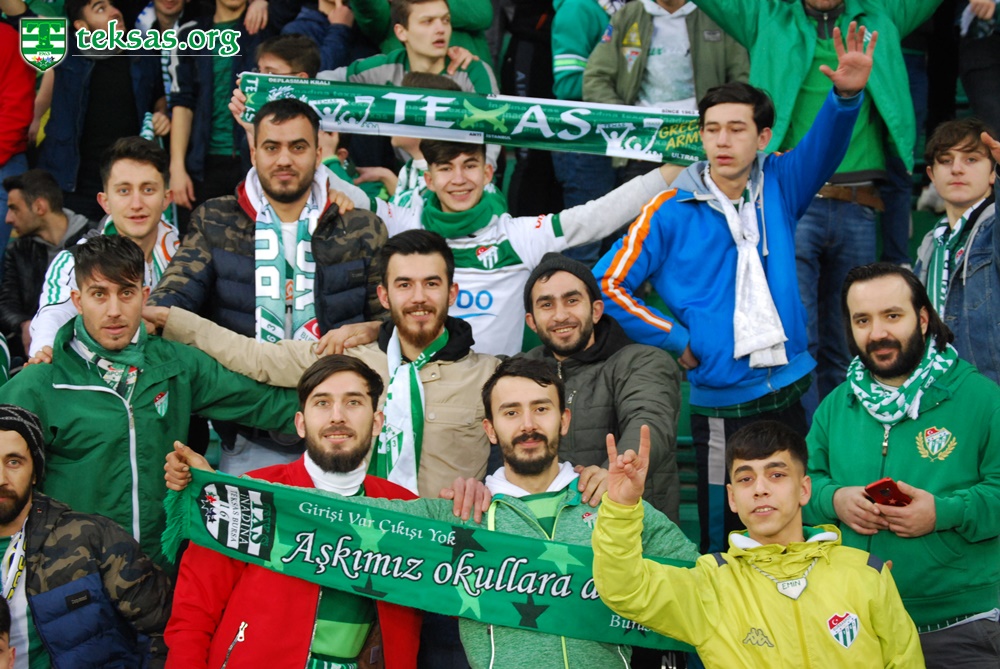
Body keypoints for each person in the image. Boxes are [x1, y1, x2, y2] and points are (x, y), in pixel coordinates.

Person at [166, 356, 697, 668]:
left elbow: (699, 587)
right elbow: (193, 614)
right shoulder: (449, 513)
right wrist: (218, 491)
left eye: (541, 410)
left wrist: (624, 510)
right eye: (511, 412)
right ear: (490, 429)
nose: (527, 425)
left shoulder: (608, 502)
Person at [595, 23, 875, 552]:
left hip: (792, 389)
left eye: (737, 129)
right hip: (723, 404)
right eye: (712, 129)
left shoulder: (781, 183)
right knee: (728, 538)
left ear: (762, 137)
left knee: (800, 522)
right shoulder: (669, 209)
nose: (723, 141)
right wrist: (676, 338)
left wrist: (845, 97)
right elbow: (607, 283)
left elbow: (824, 148)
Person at [685, 0, 941, 411]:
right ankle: (806, 443)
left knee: (852, 342)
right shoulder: (765, 16)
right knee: (800, 340)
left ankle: (844, 437)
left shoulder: (882, 15)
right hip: (791, 206)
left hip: (860, 203)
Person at [0, 235, 301, 564]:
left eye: (126, 293)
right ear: (77, 300)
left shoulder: (175, 364)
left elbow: (264, 403)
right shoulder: (39, 383)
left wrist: (335, 413)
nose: (114, 311)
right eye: (99, 294)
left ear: (144, 296)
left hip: (161, 570)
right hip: (74, 577)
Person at [149, 97, 387, 474]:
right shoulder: (216, 219)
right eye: (272, 147)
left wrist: (372, 330)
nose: (284, 159)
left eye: (298, 147)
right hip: (247, 433)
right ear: (253, 152)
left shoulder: (361, 227)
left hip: (344, 436)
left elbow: (389, 325)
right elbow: (174, 296)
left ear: (318, 152)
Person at [592, 419, 924, 667]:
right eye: (746, 478)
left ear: (804, 489)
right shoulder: (710, 584)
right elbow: (624, 588)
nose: (760, 489)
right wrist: (621, 507)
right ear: (732, 497)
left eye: (776, 475)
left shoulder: (866, 573)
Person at [164, 355, 424, 668]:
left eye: (353, 402)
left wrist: (469, 504)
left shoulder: (408, 510)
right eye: (322, 403)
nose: (337, 416)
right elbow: (193, 613)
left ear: (378, 422)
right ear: (300, 423)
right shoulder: (250, 495)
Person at [805, 262, 1000, 666]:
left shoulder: (982, 399)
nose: (877, 333)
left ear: (923, 320)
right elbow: (801, 486)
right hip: (856, 626)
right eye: (863, 320)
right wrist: (834, 499)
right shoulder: (835, 407)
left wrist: (942, 513)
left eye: (892, 316)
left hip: (960, 627)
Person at [335, 139, 682, 356]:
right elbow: (345, 193)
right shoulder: (406, 222)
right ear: (429, 179)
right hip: (421, 389)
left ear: (488, 172)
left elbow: (596, 217)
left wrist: (674, 168)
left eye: (470, 165)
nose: (459, 179)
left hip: (496, 395)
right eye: (446, 168)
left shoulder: (517, 235)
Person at [0, 404, 172, 666]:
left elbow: (166, 634)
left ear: (35, 472)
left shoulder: (93, 539)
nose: (1, 478)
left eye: (13, 462)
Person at [521, 252, 682, 519]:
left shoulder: (642, 361)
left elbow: (649, 419)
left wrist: (617, 471)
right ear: (532, 322)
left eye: (572, 300)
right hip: (544, 532)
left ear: (596, 310)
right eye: (546, 305)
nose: (560, 315)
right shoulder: (519, 371)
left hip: (630, 528)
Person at [0, 0, 169, 221]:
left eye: (112, 6)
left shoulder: (143, 54)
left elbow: (160, 98)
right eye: (100, 9)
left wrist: (162, 114)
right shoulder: (66, 50)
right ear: (81, 26)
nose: (114, 12)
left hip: (126, 182)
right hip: (72, 183)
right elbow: (20, 16)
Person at [27, 136, 179, 363]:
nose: (136, 204)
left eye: (148, 189)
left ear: (166, 198)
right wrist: (45, 349)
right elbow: (54, 314)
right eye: (124, 191)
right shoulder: (73, 260)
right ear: (105, 201)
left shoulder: (188, 255)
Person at [914, 119, 1000, 383]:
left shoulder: (993, 230)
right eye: (946, 160)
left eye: (971, 159)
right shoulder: (931, 244)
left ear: (993, 173)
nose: (957, 169)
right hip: (939, 387)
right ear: (931, 175)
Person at [168, 0, 263, 216]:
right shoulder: (189, 34)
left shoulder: (265, 28)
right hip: (202, 164)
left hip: (253, 161)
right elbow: (182, 103)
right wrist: (177, 167)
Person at [0, 170, 93, 361]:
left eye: (15, 209)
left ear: (39, 207)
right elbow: (7, 304)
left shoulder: (95, 239)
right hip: (34, 355)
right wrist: (24, 324)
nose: (8, 218)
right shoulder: (18, 250)